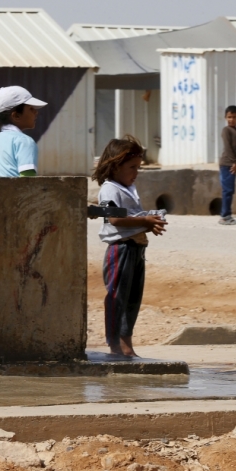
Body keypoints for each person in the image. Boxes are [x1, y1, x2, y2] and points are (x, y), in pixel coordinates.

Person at [92, 136, 167, 357]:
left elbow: (131, 218)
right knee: (117, 297)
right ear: (115, 167)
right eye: (132, 167)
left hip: (136, 249)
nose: (135, 173)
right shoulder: (109, 190)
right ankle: (115, 344)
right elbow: (113, 220)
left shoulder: (128, 188)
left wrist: (147, 224)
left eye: (138, 168)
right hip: (120, 250)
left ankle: (126, 343)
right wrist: (144, 222)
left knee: (133, 299)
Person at [0, 86, 47, 178]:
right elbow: (27, 178)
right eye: (31, 109)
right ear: (16, 116)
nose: (36, 112)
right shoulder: (25, 142)